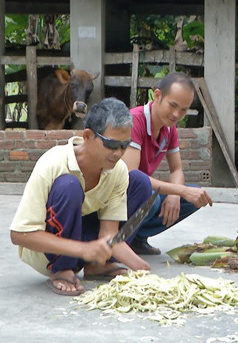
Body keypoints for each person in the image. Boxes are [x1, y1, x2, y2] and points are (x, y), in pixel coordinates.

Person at [10, 98, 153, 296]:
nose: (118, 153)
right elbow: (19, 235)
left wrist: (142, 269)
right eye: (111, 144)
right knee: (68, 186)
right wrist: (82, 249)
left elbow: (109, 235)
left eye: (124, 145)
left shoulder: (117, 171)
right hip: (49, 253)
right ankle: (62, 269)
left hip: (87, 246)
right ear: (88, 136)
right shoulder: (53, 163)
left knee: (139, 181)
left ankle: (98, 265)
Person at [122, 72, 213, 255]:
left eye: (183, 110)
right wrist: (179, 190)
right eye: (173, 105)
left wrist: (176, 194)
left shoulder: (170, 129)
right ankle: (123, 238)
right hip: (121, 195)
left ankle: (137, 238)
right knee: (153, 198)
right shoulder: (134, 121)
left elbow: (177, 169)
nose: (176, 114)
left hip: (143, 194)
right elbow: (131, 175)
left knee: (193, 197)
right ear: (157, 96)